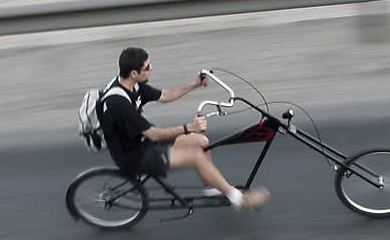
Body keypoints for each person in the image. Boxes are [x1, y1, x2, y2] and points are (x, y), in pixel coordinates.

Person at [99, 47, 270, 211]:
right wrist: (189, 127)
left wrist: (195, 84)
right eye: (147, 67)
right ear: (134, 73)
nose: (152, 68)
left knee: (201, 142)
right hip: (133, 155)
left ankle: (211, 189)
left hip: (142, 141)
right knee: (196, 156)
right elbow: (154, 134)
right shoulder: (118, 102)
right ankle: (239, 200)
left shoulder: (132, 85)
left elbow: (166, 95)